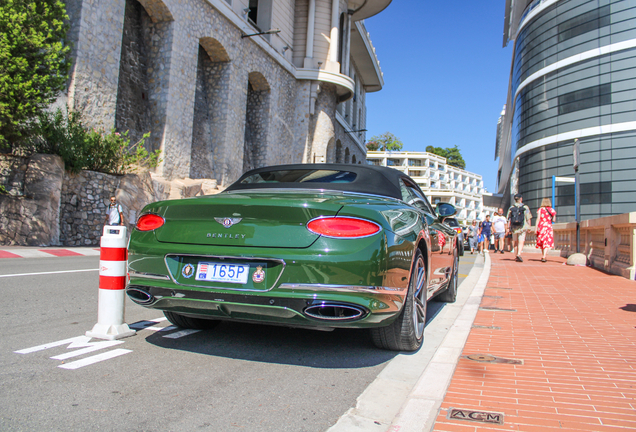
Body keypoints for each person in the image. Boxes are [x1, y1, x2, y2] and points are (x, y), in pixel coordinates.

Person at [507, 193, 532, 262]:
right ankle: (519, 253)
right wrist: (529, 227)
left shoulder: (511, 208)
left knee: (514, 241)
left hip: (514, 227)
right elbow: (528, 218)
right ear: (521, 199)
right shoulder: (525, 207)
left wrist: (508, 228)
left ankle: (515, 255)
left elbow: (509, 219)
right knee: (521, 241)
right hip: (522, 227)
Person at [536, 197, 556, 262]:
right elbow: (554, 219)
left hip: (541, 226)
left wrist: (536, 228)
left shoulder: (540, 209)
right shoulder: (551, 210)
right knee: (547, 241)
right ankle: (544, 256)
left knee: (542, 241)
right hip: (548, 226)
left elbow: (538, 219)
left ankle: (543, 255)